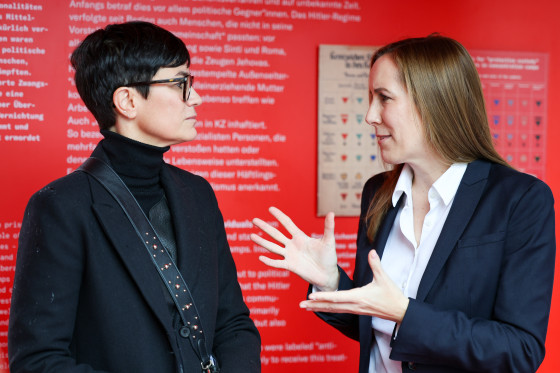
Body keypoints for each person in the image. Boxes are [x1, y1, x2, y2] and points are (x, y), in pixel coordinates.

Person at [251, 35, 555, 373]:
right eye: (370, 98)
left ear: (433, 102)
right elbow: (374, 326)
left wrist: (406, 314)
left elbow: (520, 351)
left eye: (384, 98)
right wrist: (331, 283)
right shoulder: (377, 193)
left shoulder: (521, 200)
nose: (369, 116)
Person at [9, 21, 261, 373]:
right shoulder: (60, 206)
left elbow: (232, 322)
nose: (197, 97)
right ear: (127, 100)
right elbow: (38, 360)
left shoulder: (198, 194)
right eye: (179, 83)